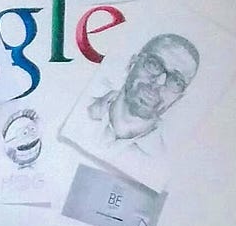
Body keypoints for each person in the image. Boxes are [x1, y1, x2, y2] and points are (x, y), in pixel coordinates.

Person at [65, 33, 200, 164]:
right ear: (132, 63)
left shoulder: (159, 161)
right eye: (155, 65)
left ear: (178, 98)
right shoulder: (77, 109)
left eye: (176, 81)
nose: (159, 82)